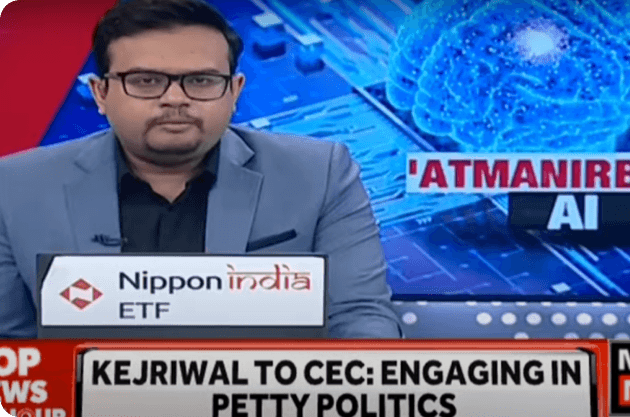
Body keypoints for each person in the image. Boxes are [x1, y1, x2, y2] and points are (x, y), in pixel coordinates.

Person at [0, 0, 403, 338]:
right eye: (146, 81)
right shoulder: (15, 187)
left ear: (235, 91)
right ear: (100, 93)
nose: (175, 99)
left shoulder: (320, 174)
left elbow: (360, 318)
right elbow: (9, 343)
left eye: (201, 81)